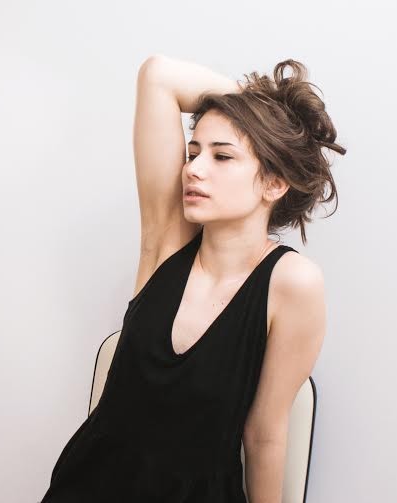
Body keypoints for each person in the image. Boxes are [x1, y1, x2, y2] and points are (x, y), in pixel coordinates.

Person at [40, 54, 346, 503]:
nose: (194, 169)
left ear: (274, 183)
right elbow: (159, 76)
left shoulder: (292, 283)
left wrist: (273, 126)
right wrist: (265, 110)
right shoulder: (165, 244)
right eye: (193, 152)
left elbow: (264, 435)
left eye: (222, 156)